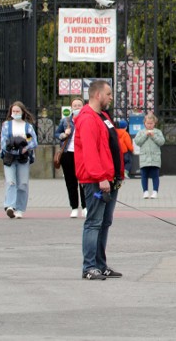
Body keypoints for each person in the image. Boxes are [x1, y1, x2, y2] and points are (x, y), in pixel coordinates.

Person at [74, 80, 122, 280]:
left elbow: (111, 145)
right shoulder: (87, 119)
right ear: (97, 95)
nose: (111, 97)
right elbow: (91, 152)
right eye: (108, 94)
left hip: (109, 178)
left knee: (104, 222)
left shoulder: (103, 116)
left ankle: (101, 265)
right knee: (94, 222)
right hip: (96, 179)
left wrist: (117, 174)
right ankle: (89, 267)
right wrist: (101, 177)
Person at [0, 101, 38, 219]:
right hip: (9, 157)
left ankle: (20, 208)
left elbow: (33, 142)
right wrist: (12, 149)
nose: (15, 113)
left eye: (18, 111)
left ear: (22, 113)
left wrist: (25, 148)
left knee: (23, 183)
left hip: (23, 157)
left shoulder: (27, 127)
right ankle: (10, 206)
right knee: (10, 181)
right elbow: (3, 142)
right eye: (13, 111)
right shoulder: (7, 125)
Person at [55, 98, 86, 218]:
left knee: (83, 181)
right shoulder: (65, 121)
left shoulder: (86, 120)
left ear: (83, 107)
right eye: (75, 105)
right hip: (68, 153)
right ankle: (74, 207)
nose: (77, 107)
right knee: (70, 182)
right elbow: (57, 134)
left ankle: (85, 207)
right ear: (71, 107)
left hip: (82, 154)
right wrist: (64, 134)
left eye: (79, 105)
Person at [134, 112, 165, 199]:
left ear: (154, 123)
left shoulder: (158, 132)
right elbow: (137, 142)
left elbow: (161, 142)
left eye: (151, 123)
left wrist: (154, 136)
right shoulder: (141, 132)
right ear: (144, 123)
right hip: (144, 158)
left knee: (155, 175)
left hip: (155, 158)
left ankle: (155, 191)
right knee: (144, 175)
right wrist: (145, 135)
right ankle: (145, 191)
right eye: (148, 123)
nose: (149, 125)